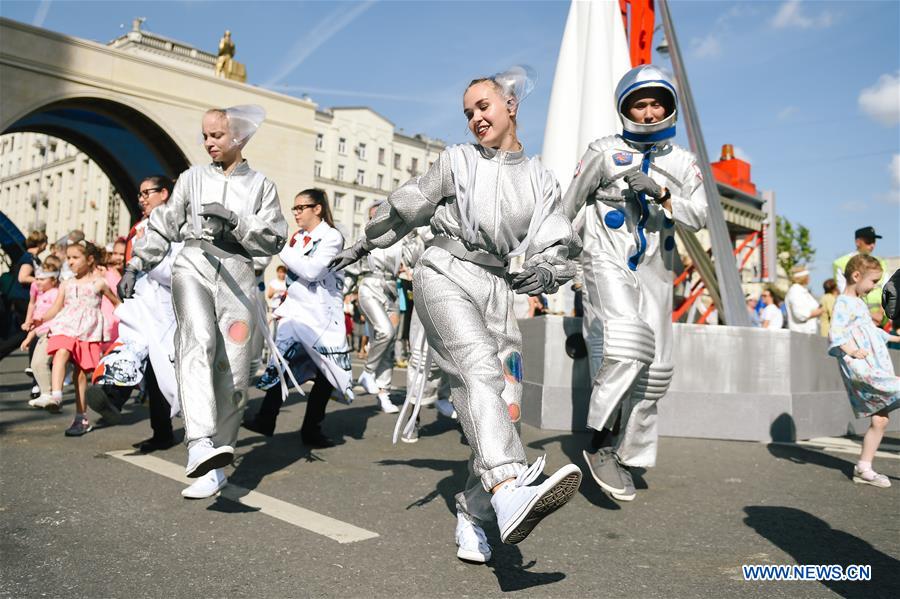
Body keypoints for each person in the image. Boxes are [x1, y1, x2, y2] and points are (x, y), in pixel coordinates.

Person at [330, 66, 582, 561]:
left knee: (504, 403)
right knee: (476, 371)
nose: (474, 119)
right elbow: (406, 206)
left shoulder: (540, 179)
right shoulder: (457, 161)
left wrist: (546, 274)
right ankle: (509, 486)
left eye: (482, 107)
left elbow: (558, 242)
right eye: (467, 113)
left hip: (498, 288)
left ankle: (474, 510)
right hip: (443, 271)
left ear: (511, 105)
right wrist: (361, 244)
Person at [562, 64, 708, 503]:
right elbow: (568, 205)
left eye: (656, 104)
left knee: (655, 369)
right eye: (639, 105)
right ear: (625, 109)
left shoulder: (683, 163)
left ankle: (629, 451)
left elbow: (700, 215)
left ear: (669, 107)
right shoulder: (604, 152)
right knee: (625, 345)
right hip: (606, 260)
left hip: (657, 270)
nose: (648, 112)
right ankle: (600, 442)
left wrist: (663, 194)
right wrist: (555, 258)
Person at [120, 105, 287, 483]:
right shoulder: (192, 178)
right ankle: (198, 441)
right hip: (192, 264)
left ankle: (217, 463)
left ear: (239, 137)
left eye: (217, 135)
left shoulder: (261, 186)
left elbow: (276, 236)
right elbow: (163, 223)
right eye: (206, 135)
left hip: (240, 276)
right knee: (197, 340)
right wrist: (136, 264)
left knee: (235, 370)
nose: (208, 142)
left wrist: (236, 220)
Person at [243, 188, 353, 449]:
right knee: (279, 365)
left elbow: (312, 271)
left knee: (327, 376)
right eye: (294, 208)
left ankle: (311, 430)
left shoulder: (331, 237)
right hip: (295, 314)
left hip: (321, 316)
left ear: (317, 208)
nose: (296, 213)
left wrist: (283, 248)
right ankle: (266, 419)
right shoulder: (298, 237)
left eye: (301, 207)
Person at [87, 175, 181, 456]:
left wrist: (146, 264)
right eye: (139, 194)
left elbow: (176, 270)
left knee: (162, 372)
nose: (141, 199)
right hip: (142, 301)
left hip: (166, 307)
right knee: (133, 348)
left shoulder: (179, 226)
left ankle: (120, 399)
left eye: (147, 193)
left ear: (164, 193)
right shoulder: (140, 227)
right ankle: (115, 396)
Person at [828, 254, 899, 488]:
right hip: (862, 368)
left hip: (874, 365)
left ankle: (863, 468)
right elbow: (835, 334)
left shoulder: (858, 302)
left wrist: (892, 337)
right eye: (873, 282)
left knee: (880, 420)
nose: (874, 287)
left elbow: (871, 331)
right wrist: (852, 350)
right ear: (856, 276)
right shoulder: (843, 303)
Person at [37, 240, 120, 435]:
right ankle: (55, 395)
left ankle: (80, 418)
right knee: (61, 351)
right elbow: (56, 307)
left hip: (88, 331)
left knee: (80, 375)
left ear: (90, 259)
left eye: (75, 258)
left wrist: (131, 319)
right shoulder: (67, 283)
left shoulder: (99, 283)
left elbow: (116, 302)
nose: (71, 262)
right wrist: (40, 319)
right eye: (68, 258)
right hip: (66, 325)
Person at [347, 203, 404, 414]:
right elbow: (351, 268)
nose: (378, 220)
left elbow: (414, 259)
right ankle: (367, 372)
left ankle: (384, 393)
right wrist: (341, 292)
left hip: (392, 292)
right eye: (374, 216)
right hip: (370, 288)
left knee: (388, 343)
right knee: (385, 332)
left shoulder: (400, 240)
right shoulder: (366, 241)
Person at [0, 230, 47, 361]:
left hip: (24, 297)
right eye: (45, 243)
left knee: (26, 331)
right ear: (41, 243)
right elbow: (22, 277)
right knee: (27, 330)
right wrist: (40, 280)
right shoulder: (28, 258)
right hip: (23, 298)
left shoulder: (32, 258)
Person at [21, 256, 61, 405]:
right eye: (36, 279)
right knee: (35, 364)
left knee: (42, 363)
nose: (37, 282)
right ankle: (45, 393)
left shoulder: (56, 294)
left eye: (42, 279)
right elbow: (37, 321)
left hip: (50, 334)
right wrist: (28, 337)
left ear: (53, 280)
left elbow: (57, 313)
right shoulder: (42, 295)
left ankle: (48, 393)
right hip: (40, 334)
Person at [833, 227, 888, 325]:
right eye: (868, 241)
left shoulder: (882, 262)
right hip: (856, 321)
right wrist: (868, 315)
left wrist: (880, 313)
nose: (872, 245)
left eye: (874, 242)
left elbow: (888, 290)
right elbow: (845, 292)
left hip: (881, 322)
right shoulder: (841, 263)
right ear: (858, 242)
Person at [785, 265, 823, 334]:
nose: (809, 278)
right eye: (807, 276)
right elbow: (800, 314)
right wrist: (819, 312)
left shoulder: (803, 291)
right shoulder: (795, 291)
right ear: (804, 278)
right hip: (801, 334)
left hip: (809, 333)